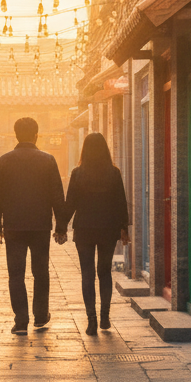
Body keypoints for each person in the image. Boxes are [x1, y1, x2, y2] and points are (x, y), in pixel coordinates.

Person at [0, 117, 66, 335]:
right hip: (40, 226)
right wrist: (60, 226)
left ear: (16, 135)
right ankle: (41, 317)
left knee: (16, 274)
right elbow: (57, 195)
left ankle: (21, 321)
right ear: (36, 135)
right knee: (41, 272)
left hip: (13, 226)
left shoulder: (4, 161)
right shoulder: (48, 160)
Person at [56, 132, 129, 336]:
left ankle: (91, 320)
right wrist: (124, 228)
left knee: (87, 274)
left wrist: (61, 227)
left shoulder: (78, 173)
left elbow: (70, 203)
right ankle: (105, 316)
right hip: (108, 228)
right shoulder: (114, 173)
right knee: (104, 272)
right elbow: (121, 202)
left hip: (85, 229)